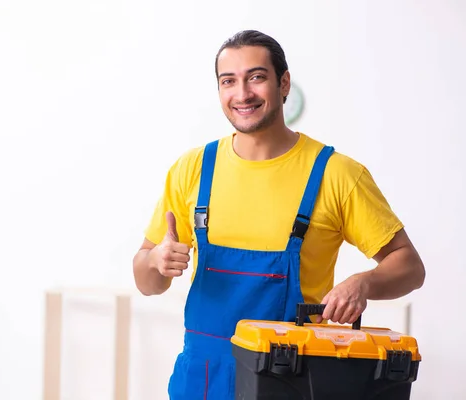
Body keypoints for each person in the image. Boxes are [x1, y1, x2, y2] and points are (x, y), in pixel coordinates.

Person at [132, 29, 425, 399]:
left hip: (290, 379)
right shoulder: (192, 169)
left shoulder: (336, 174)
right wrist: (157, 262)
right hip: (203, 379)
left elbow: (410, 267)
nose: (243, 94)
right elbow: (147, 282)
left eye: (256, 77)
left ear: (283, 83)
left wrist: (363, 283)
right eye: (229, 81)